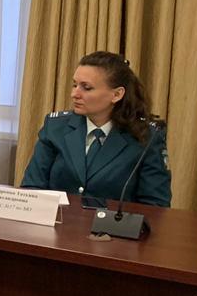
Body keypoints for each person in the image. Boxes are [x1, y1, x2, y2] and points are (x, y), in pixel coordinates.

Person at [21, 51, 171, 206]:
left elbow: (155, 206)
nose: (74, 94)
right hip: (59, 219)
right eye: (75, 85)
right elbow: (32, 188)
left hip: (113, 222)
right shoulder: (56, 127)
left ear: (117, 94)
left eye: (86, 88)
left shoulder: (146, 136)